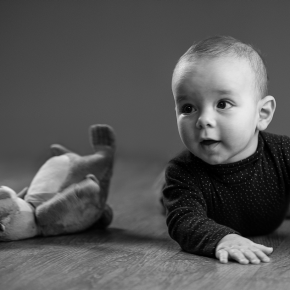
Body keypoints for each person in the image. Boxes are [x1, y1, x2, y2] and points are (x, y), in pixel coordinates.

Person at [162, 35, 290, 265]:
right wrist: (223, 238)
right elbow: (183, 220)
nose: (204, 120)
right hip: (205, 213)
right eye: (188, 108)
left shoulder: (283, 153)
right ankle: (162, 192)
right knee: (171, 199)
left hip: (271, 218)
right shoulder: (183, 171)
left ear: (262, 114)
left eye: (223, 104)